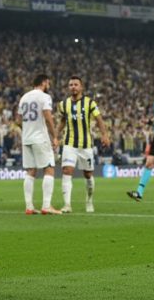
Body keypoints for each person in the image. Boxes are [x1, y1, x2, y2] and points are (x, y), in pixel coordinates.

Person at [55, 76, 110, 213]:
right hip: (69, 144)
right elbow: (62, 121)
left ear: (81, 87)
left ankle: (89, 200)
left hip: (86, 145)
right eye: (71, 85)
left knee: (88, 174)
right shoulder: (64, 104)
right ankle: (67, 205)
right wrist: (55, 136)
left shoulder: (90, 103)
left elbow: (99, 119)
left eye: (76, 84)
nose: (73, 87)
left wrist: (104, 135)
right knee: (67, 171)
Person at [18, 74, 61, 215]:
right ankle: (46, 206)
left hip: (26, 139)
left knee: (30, 171)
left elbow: (18, 120)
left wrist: (28, 130)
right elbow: (48, 117)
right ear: (43, 82)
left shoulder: (24, 97)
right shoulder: (44, 97)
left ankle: (29, 207)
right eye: (48, 82)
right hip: (40, 138)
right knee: (49, 169)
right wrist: (55, 136)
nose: (49, 85)